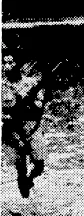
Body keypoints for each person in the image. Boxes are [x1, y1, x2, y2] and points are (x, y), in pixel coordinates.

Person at [1, 52, 47, 197]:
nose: (7, 66)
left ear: (18, 65)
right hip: (12, 131)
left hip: (32, 127)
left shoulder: (31, 83)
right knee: (20, 166)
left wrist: (28, 102)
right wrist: (6, 116)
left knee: (39, 164)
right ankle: (23, 186)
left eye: (11, 62)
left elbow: (40, 105)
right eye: (4, 63)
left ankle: (30, 179)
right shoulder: (2, 87)